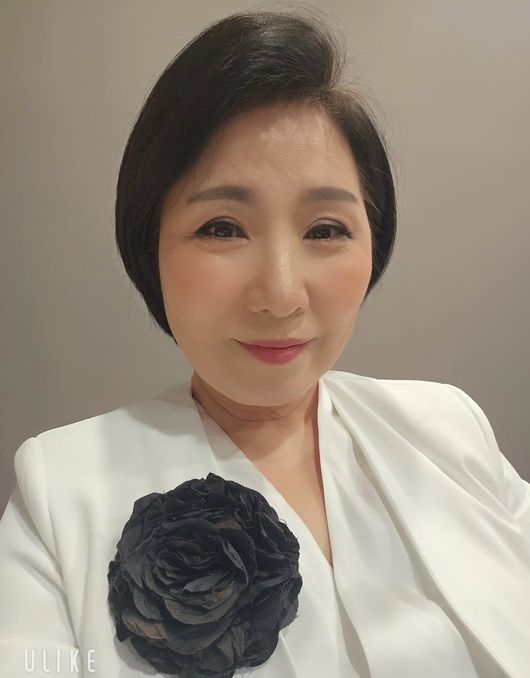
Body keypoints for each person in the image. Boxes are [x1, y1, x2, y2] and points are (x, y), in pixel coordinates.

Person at [0, 9, 528, 678]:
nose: (280, 295)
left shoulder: (450, 430)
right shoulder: (61, 491)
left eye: (326, 230)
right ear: (150, 247)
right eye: (222, 228)